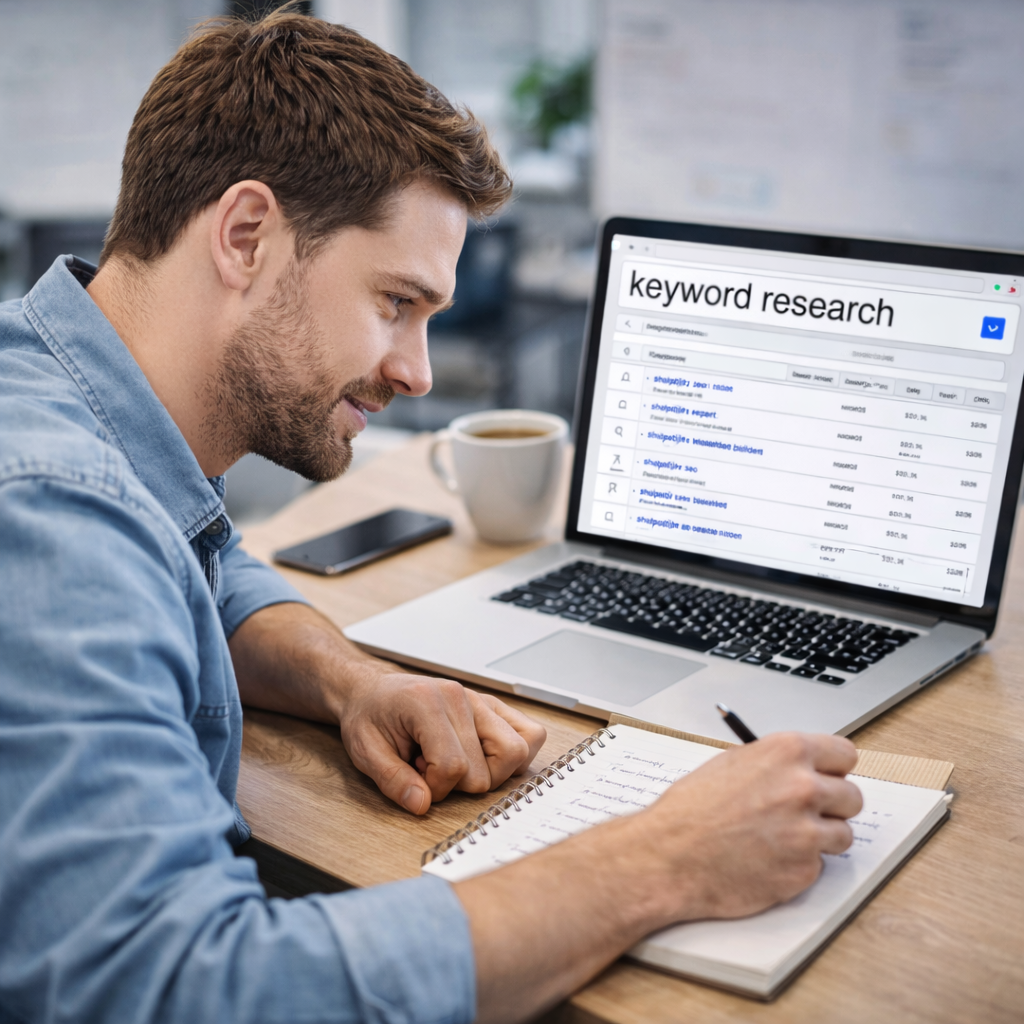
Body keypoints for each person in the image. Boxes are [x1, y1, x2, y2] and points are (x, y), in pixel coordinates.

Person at [0, 11, 862, 1024]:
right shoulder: (60, 513)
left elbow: (203, 563)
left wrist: (351, 679)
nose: (413, 369)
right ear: (246, 236)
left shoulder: (69, 388)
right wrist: (661, 858)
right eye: (394, 302)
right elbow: (187, 990)